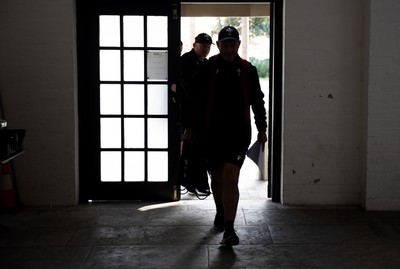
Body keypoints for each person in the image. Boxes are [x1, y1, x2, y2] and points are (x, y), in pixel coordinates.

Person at [182, 26, 267, 246]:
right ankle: (220, 211)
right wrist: (189, 127)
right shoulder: (207, 68)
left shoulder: (248, 70)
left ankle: (229, 229)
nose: (229, 48)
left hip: (238, 135)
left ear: (238, 45)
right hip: (210, 134)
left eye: (233, 44)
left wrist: (262, 127)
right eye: (225, 44)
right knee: (217, 178)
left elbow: (258, 101)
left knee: (231, 176)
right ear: (218, 46)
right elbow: (191, 100)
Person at [178, 33, 214, 197]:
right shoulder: (186, 60)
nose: (206, 49)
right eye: (203, 45)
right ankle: (186, 182)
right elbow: (188, 88)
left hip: (202, 113)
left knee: (199, 151)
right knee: (189, 149)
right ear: (194, 45)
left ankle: (197, 183)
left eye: (208, 46)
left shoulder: (207, 63)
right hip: (186, 110)